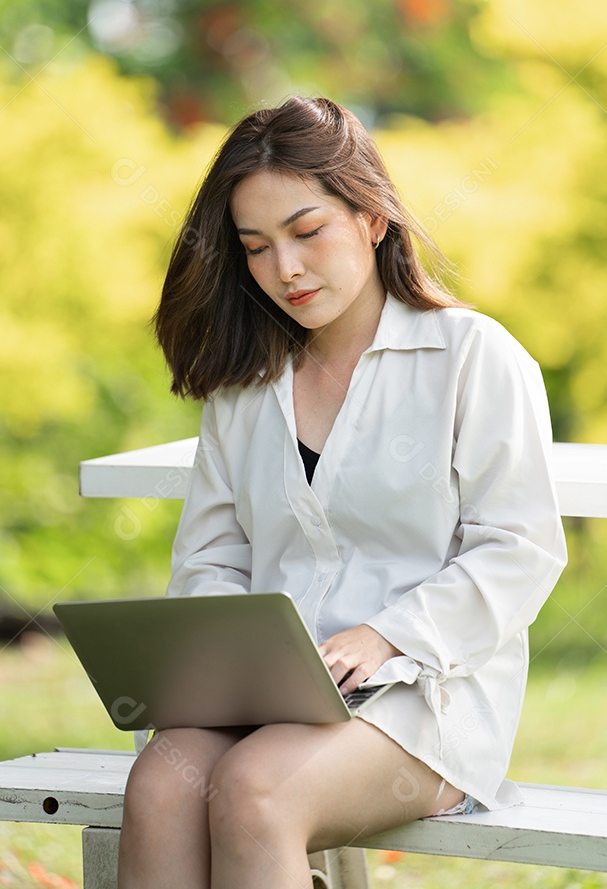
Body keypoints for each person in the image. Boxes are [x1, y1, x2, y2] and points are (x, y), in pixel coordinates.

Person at [117, 95, 567, 889]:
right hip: (267, 692)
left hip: (427, 699)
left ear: (370, 217)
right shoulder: (245, 385)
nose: (283, 269)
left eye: (306, 231)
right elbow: (212, 562)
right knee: (158, 785)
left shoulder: (471, 356)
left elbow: (519, 549)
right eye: (254, 247)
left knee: (255, 791)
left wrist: (384, 636)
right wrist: (229, 655)